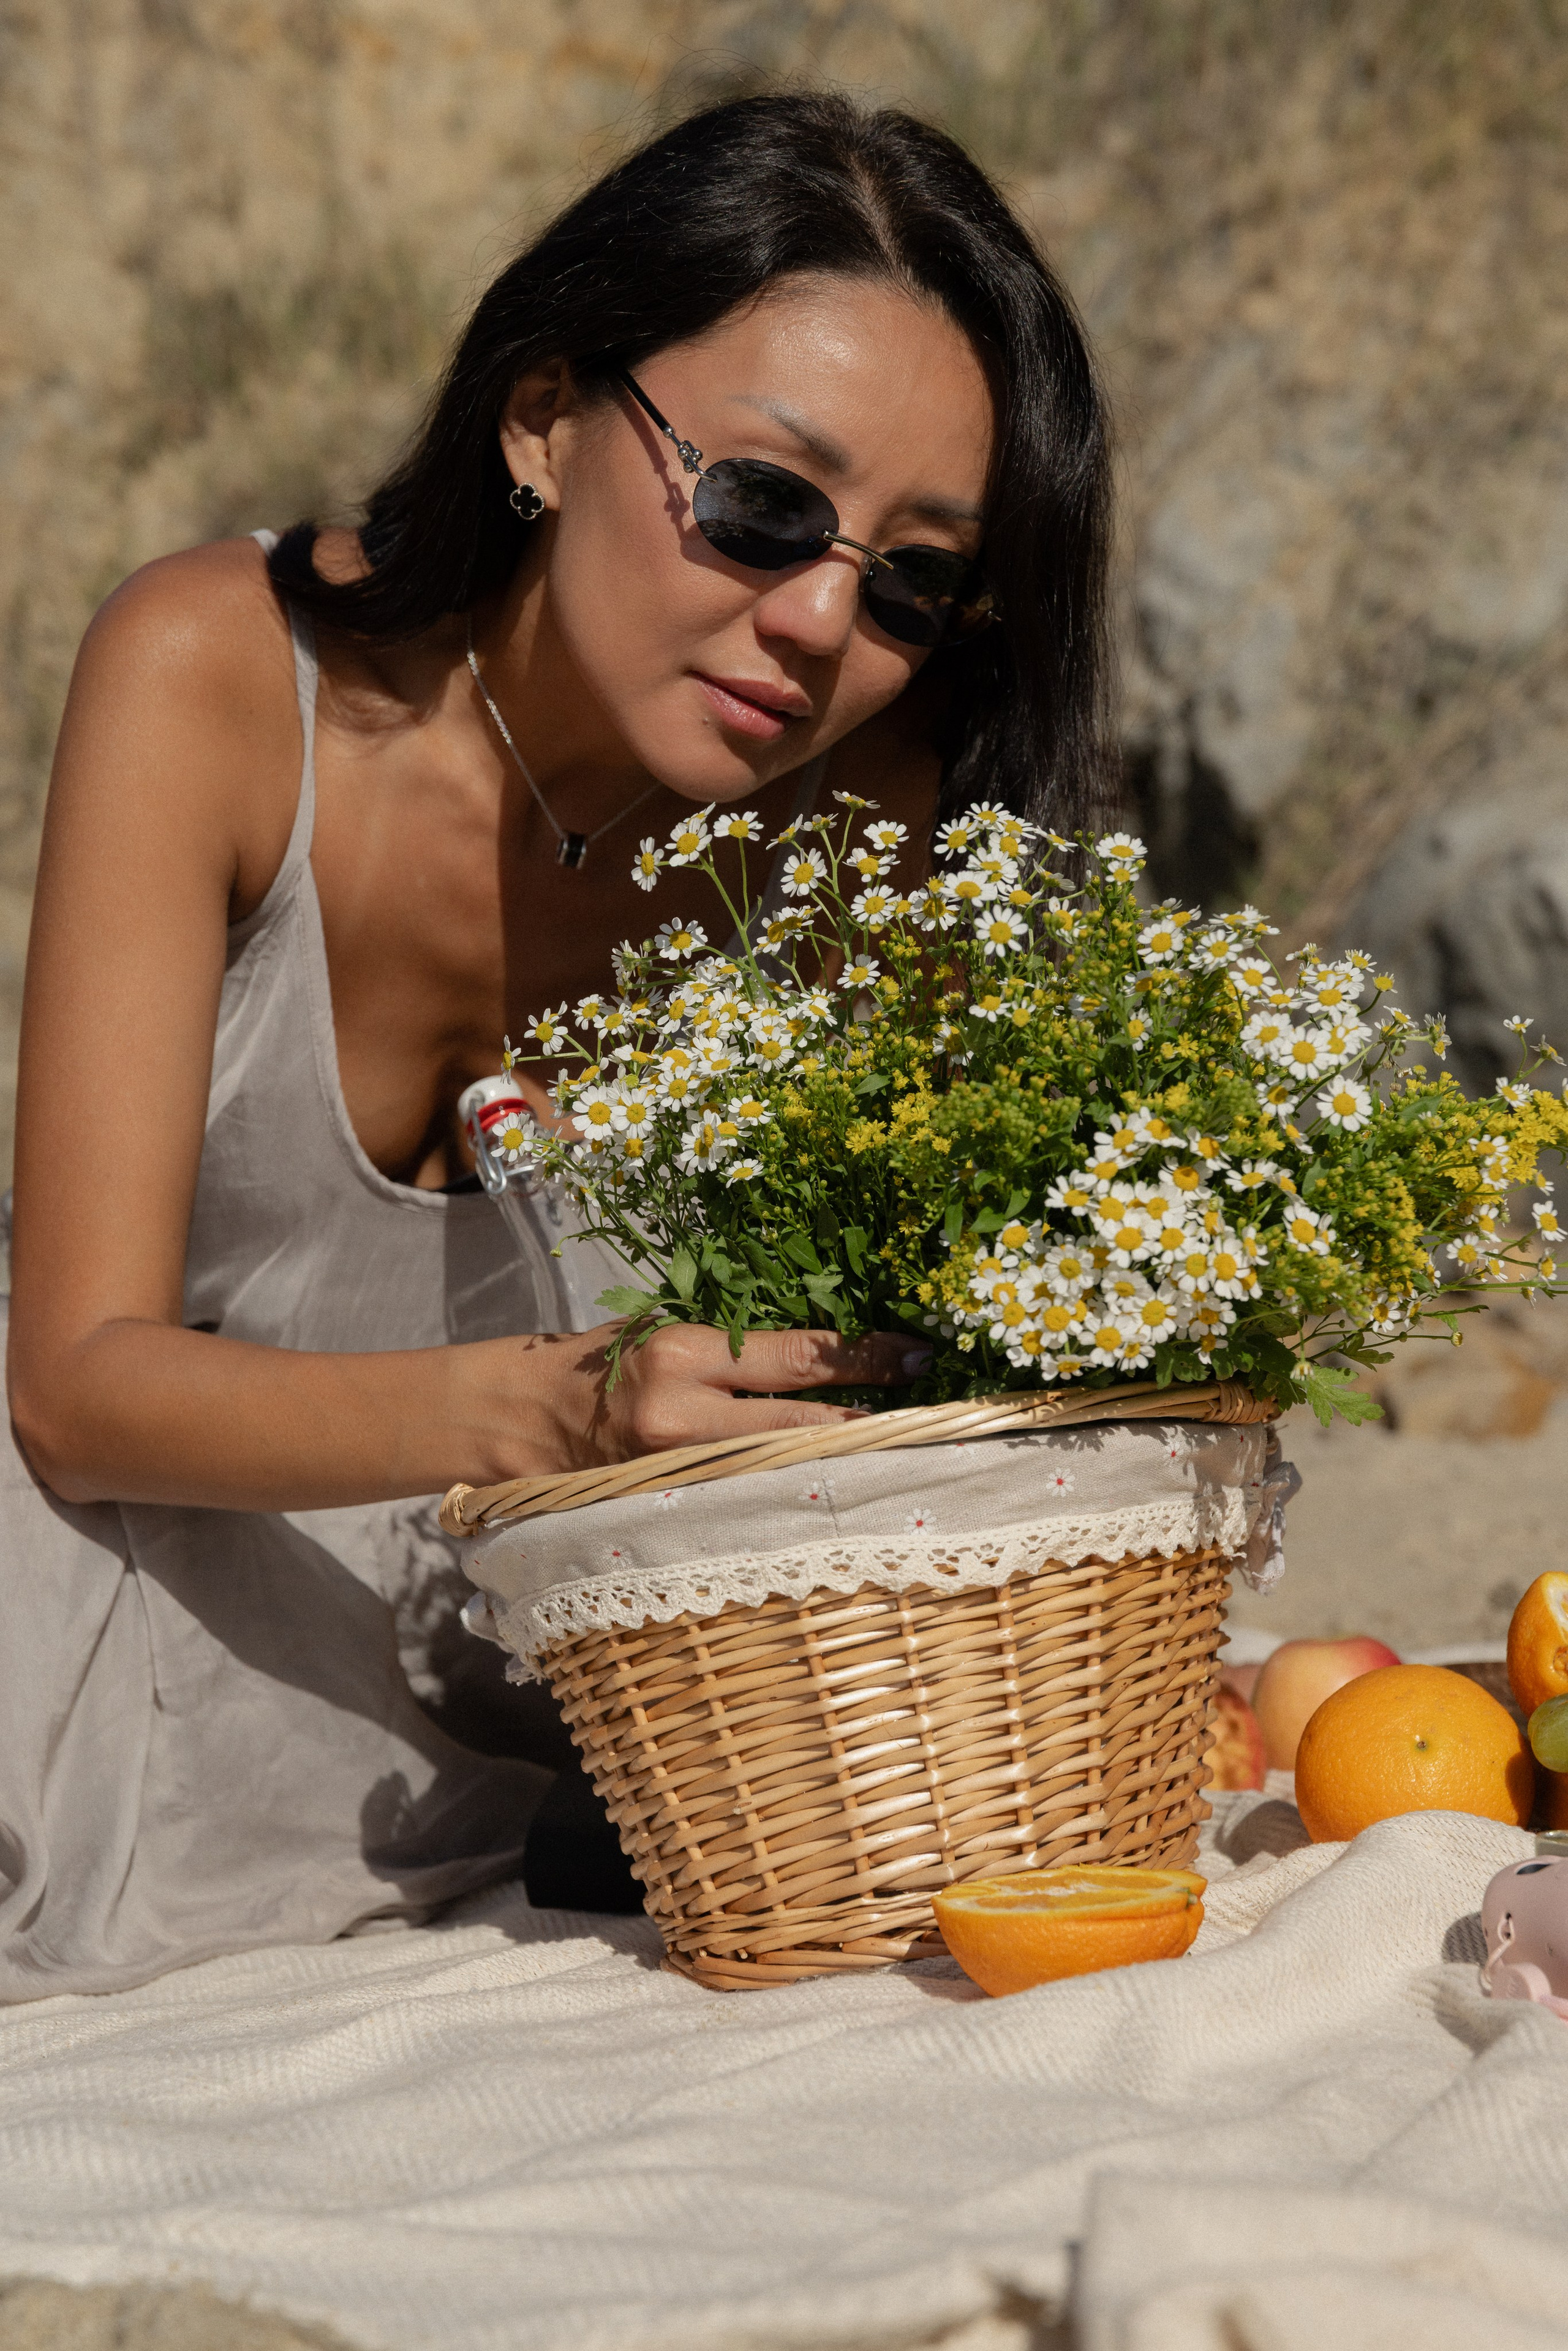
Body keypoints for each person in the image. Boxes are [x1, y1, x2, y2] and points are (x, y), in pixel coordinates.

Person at [1, 92, 1114, 1998]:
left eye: (917, 575)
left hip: (596, 1773)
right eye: (765, 504)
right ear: (542, 419)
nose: (825, 618)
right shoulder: (217, 681)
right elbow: (75, 1383)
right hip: (102, 1669)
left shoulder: (877, 843)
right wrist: (563, 1411)